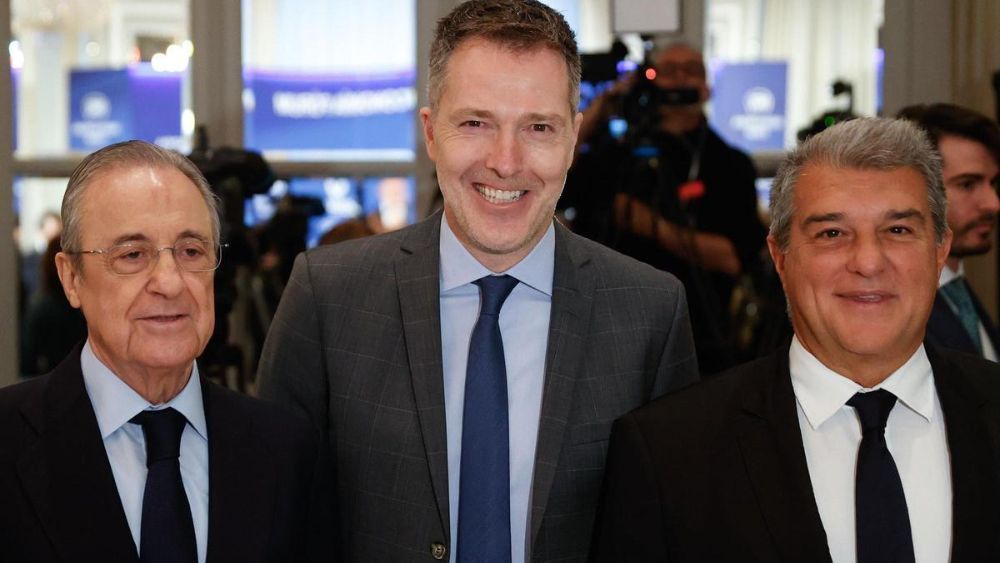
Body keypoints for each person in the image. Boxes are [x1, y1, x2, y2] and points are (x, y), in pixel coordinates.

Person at [257, 1, 698, 562]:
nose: (505, 162)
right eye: (475, 123)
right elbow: (278, 520)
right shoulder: (328, 294)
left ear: (572, 140)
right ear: (431, 132)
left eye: (538, 127)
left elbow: (671, 536)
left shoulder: (651, 313)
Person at [592, 118, 1000, 562]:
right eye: (831, 233)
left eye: (898, 230)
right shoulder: (669, 452)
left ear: (940, 250)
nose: (868, 261)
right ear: (780, 257)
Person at [0, 140, 329, 563]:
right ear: (71, 279)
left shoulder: (288, 451)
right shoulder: (10, 443)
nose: (170, 282)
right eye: (133, 255)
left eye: (192, 251)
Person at [566, 42, 767, 374]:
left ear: (707, 87)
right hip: (609, 332)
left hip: (698, 338)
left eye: (690, 70)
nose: (679, 80)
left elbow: (733, 259)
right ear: (650, 82)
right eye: (668, 71)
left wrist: (655, 228)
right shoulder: (618, 156)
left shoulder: (729, 164)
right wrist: (599, 110)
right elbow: (556, 178)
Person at [898, 103, 1000, 360]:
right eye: (968, 184)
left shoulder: (958, 290)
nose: (993, 203)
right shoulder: (892, 307)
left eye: (993, 183)